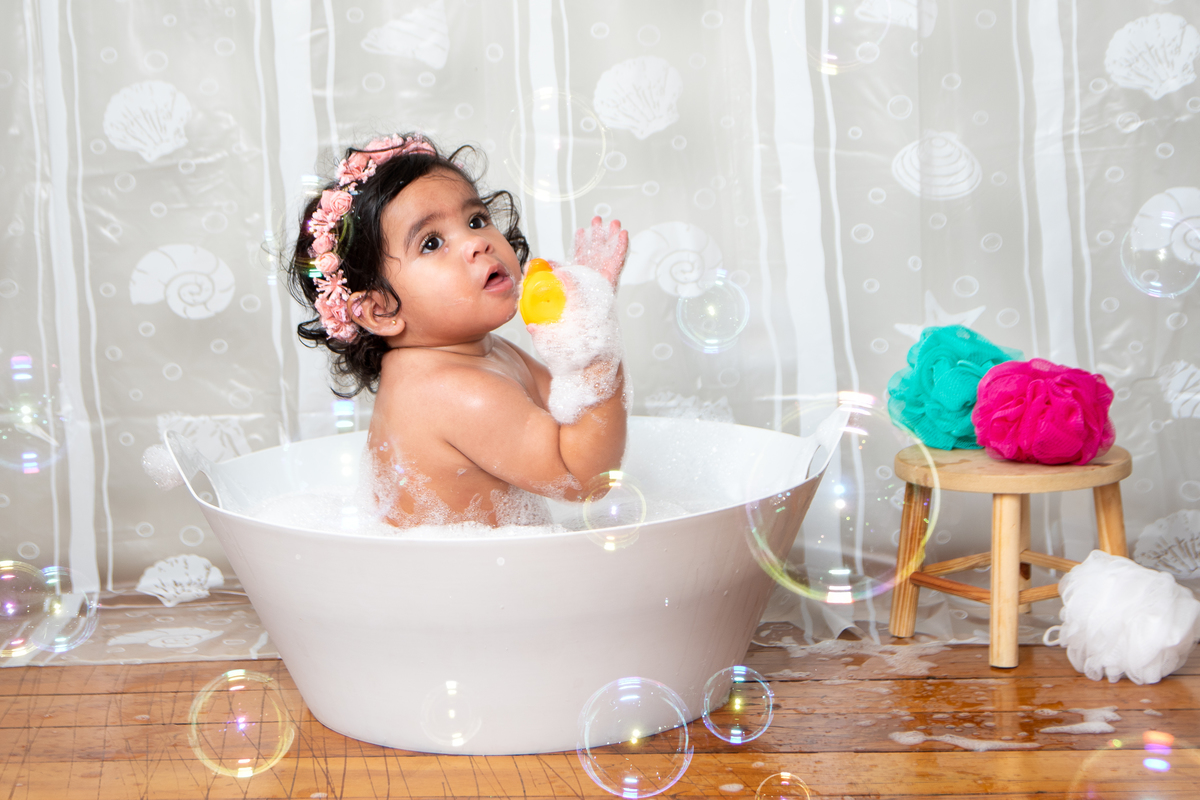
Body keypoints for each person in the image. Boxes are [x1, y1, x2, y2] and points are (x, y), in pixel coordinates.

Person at [285, 133, 628, 528]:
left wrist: (581, 316)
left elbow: (573, 415)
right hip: (467, 568)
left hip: (476, 562)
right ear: (379, 311)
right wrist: (596, 347)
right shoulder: (454, 392)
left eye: (476, 220)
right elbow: (585, 479)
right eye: (431, 243)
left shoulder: (486, 352)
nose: (476, 242)